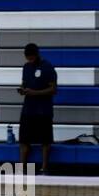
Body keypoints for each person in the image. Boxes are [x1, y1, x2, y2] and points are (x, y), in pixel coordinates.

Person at [17, 42, 57, 173]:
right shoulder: (26, 67)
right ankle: (22, 167)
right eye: (27, 58)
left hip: (43, 110)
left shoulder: (47, 67)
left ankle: (44, 168)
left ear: (37, 55)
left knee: (45, 141)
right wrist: (22, 90)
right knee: (23, 140)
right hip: (29, 109)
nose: (29, 60)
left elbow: (53, 89)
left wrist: (35, 92)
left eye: (31, 57)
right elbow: (24, 84)